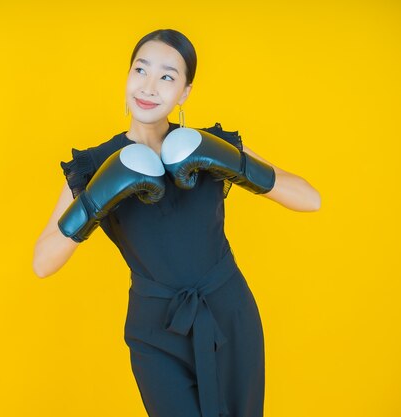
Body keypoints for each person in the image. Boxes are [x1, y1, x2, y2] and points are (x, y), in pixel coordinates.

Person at [33, 28, 321, 417]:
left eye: (167, 76)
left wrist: (235, 164)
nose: (149, 86)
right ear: (128, 75)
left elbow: (310, 199)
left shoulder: (207, 146)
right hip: (155, 331)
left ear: (184, 92)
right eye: (141, 70)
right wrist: (94, 199)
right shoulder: (94, 166)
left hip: (229, 313)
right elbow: (42, 263)